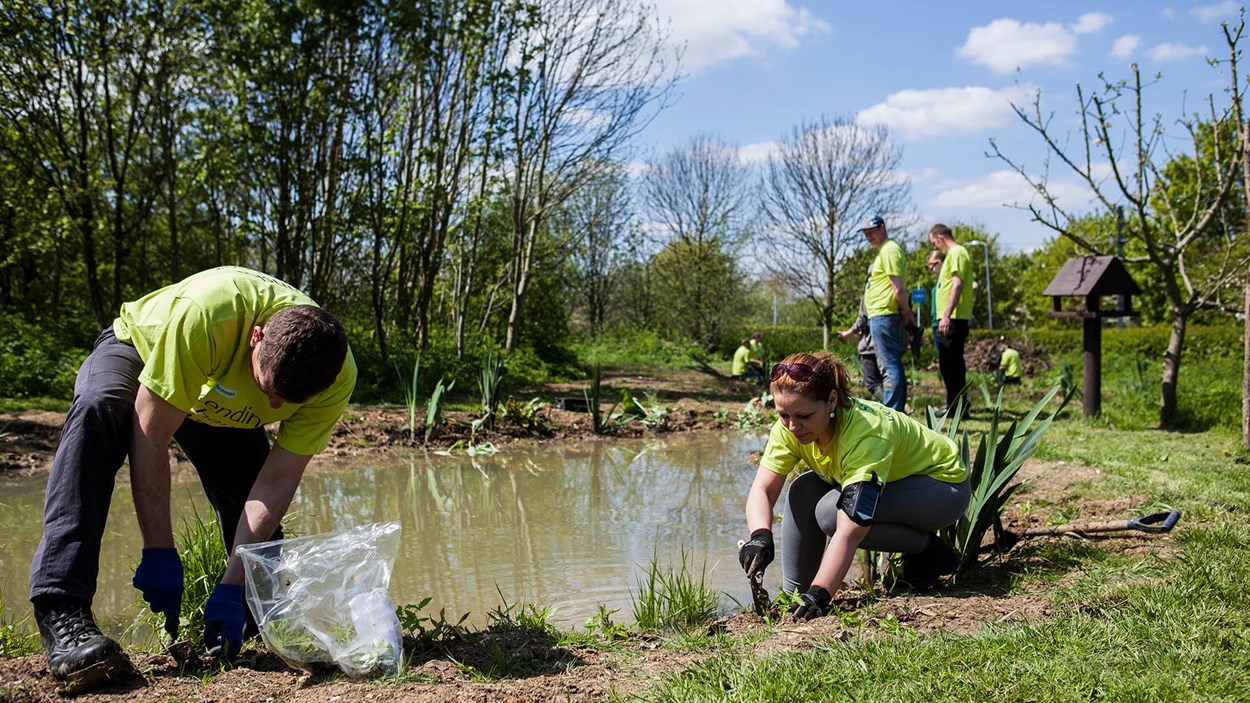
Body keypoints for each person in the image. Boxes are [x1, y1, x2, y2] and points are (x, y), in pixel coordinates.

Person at [28, 266, 357, 689]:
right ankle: (63, 611)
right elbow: (150, 433)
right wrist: (160, 549)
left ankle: (259, 615)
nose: (274, 404)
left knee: (254, 529)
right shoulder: (209, 314)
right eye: (269, 387)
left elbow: (277, 479)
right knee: (99, 409)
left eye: (288, 402)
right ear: (256, 337)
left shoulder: (335, 375)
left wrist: (235, 582)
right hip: (144, 351)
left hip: (222, 401)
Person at [737, 352, 970, 620]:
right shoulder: (790, 427)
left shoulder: (865, 433)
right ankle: (794, 595)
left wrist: (821, 594)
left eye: (804, 415)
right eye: (783, 414)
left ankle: (929, 551)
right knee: (804, 490)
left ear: (831, 400)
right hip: (895, 484)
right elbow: (763, 490)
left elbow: (852, 527)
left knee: (829, 513)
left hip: (940, 488)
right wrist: (759, 536)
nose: (793, 426)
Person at [859, 215, 915, 413]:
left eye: (871, 232)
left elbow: (898, 288)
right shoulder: (884, 252)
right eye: (865, 234)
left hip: (885, 314)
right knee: (889, 365)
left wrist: (907, 312)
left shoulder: (890, 250)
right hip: (880, 314)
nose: (868, 237)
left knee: (889, 366)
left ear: (882, 228)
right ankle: (895, 411)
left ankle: (893, 413)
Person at [928, 224, 974, 414]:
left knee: (951, 364)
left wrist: (946, 315)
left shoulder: (957, 253)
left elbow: (957, 284)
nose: (935, 249)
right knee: (949, 364)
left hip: (953, 319)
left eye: (934, 244)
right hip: (951, 318)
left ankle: (957, 407)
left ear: (940, 237)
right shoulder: (954, 255)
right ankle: (955, 404)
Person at [837, 300, 882, 399]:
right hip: (891, 345)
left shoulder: (871, 292)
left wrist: (847, 334)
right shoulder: (892, 291)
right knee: (886, 381)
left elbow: (862, 320)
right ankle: (897, 407)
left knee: (872, 383)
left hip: (871, 347)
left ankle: (893, 408)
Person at [925, 250, 944, 357]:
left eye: (932, 267)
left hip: (941, 322)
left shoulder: (947, 278)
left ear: (939, 262)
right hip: (936, 322)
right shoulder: (939, 280)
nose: (931, 270)